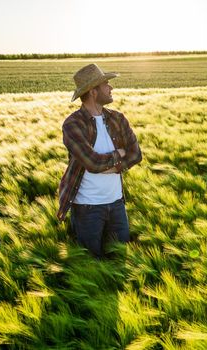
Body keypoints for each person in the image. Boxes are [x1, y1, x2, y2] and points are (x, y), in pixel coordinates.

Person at [56, 63, 142, 258]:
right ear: (94, 92)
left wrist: (109, 165)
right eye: (106, 84)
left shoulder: (117, 119)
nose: (111, 88)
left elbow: (136, 154)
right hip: (87, 209)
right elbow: (92, 163)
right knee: (90, 262)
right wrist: (120, 154)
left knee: (121, 259)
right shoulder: (73, 124)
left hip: (117, 204)